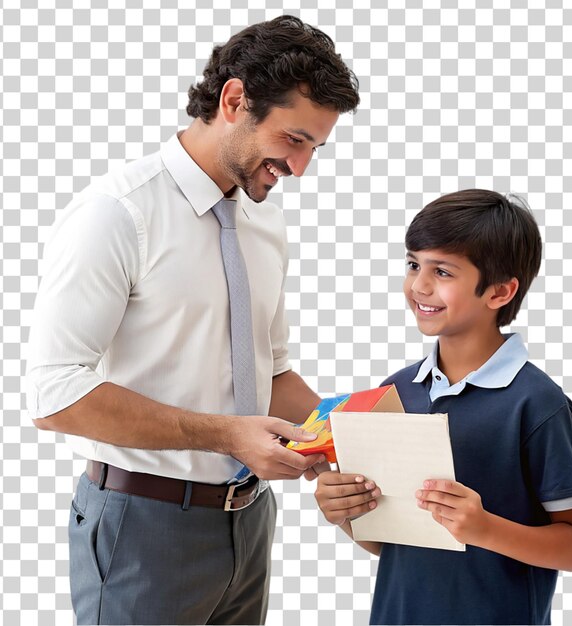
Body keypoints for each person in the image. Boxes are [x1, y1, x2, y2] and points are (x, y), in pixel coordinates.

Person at [26, 15, 359, 625]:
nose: (302, 168)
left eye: (314, 147)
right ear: (235, 101)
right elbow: (53, 394)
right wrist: (228, 435)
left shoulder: (265, 222)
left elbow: (271, 370)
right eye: (293, 140)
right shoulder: (117, 214)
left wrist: (351, 436)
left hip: (249, 523)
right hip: (141, 529)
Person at [315, 190, 572, 625]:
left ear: (500, 291)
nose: (419, 286)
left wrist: (484, 528)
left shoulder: (537, 404)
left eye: (442, 271)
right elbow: (391, 542)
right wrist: (346, 515)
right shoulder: (396, 392)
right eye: (413, 265)